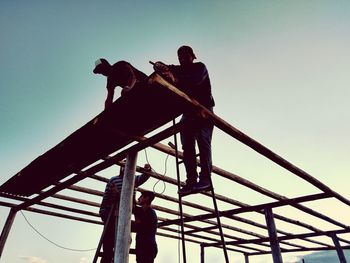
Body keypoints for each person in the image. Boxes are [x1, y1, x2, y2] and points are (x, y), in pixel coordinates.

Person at [153, 45, 215, 195]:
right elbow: (163, 67)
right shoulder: (178, 69)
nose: (182, 59)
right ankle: (191, 180)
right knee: (187, 146)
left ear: (193, 56)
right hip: (188, 113)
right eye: (179, 57)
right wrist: (160, 66)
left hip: (204, 110)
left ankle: (206, 179)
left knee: (203, 140)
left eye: (185, 56)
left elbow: (194, 81)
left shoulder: (200, 67)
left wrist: (174, 78)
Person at [99, 163, 152, 263]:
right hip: (112, 213)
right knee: (108, 244)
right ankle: (107, 259)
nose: (125, 167)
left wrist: (148, 169)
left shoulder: (133, 179)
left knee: (123, 241)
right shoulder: (113, 180)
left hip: (125, 214)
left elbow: (145, 176)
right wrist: (103, 212)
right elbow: (106, 198)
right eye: (123, 165)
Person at [133, 191, 158, 263]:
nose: (138, 198)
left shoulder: (151, 213)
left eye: (141, 196)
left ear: (147, 198)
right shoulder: (142, 210)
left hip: (147, 248)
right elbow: (134, 207)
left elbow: (138, 224)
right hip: (141, 247)